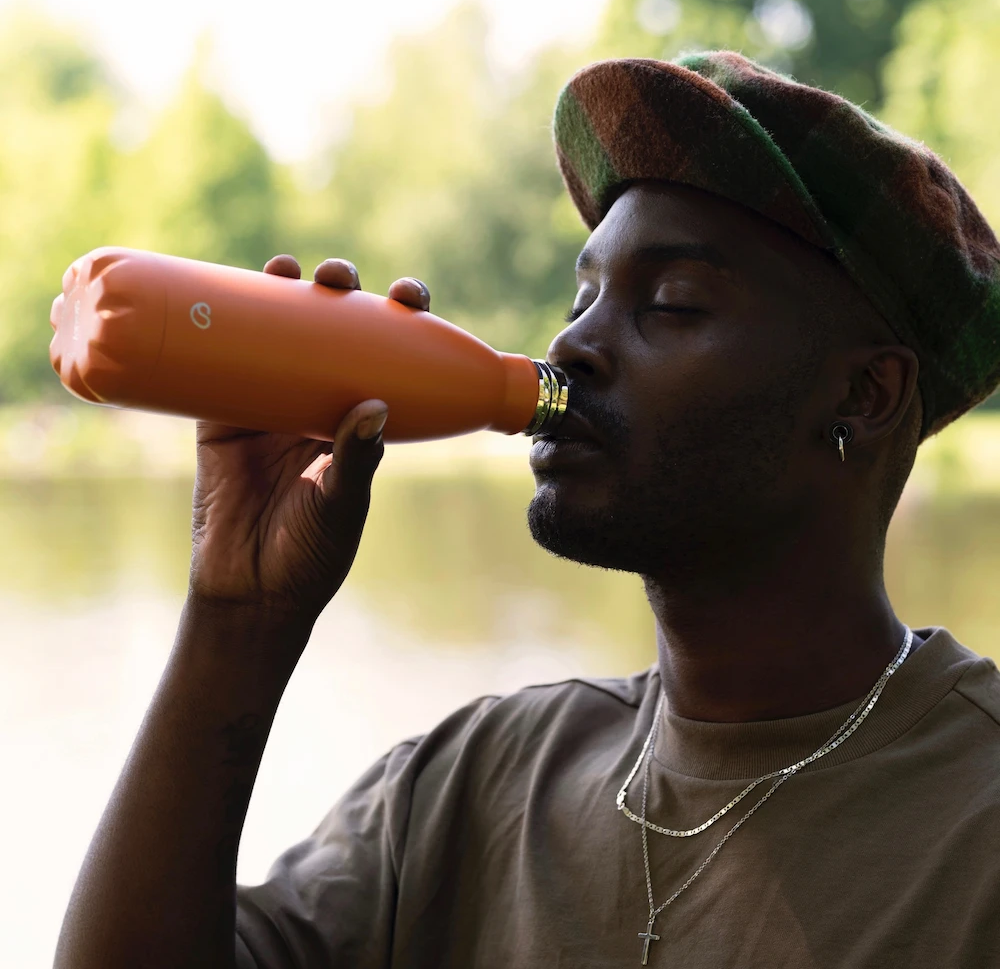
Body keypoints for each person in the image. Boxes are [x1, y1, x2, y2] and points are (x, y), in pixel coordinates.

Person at [54, 52, 1000, 969]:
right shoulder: (469, 788)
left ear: (865, 396)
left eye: (669, 303)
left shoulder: (974, 816)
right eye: (582, 293)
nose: (570, 344)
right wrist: (237, 622)